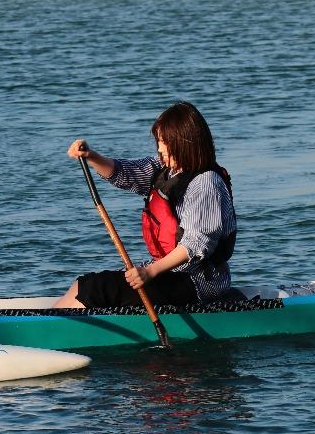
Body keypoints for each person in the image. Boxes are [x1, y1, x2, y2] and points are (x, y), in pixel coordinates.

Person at [53, 101, 237, 309]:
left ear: (184, 142)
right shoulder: (165, 170)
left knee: (94, 288)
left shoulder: (206, 183)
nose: (160, 148)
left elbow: (196, 245)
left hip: (199, 283)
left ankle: (47, 330)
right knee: (85, 284)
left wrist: (149, 272)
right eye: (158, 141)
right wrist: (91, 156)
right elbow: (126, 173)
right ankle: (51, 319)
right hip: (171, 275)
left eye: (164, 141)